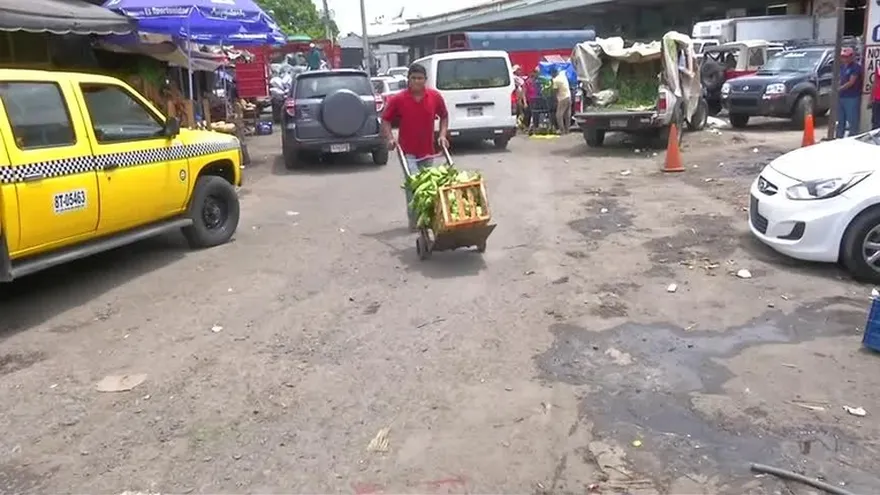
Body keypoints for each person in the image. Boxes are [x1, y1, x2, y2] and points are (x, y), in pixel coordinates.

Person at [381, 63, 450, 231]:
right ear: (408, 80)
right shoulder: (398, 99)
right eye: (413, 78)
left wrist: (442, 135)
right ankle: (414, 221)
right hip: (407, 151)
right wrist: (390, 138)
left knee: (428, 186)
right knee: (413, 184)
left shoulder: (434, 96)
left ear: (425, 80)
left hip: (427, 151)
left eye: (420, 78)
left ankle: (428, 219)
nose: (417, 81)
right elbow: (386, 119)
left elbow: (444, 116)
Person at [837, 47, 862, 138]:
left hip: (852, 96)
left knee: (852, 119)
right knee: (840, 119)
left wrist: (839, 89)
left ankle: (853, 137)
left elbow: (851, 82)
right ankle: (839, 136)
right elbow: (840, 79)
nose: (844, 58)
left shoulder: (855, 67)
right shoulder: (842, 67)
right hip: (842, 96)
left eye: (846, 56)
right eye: (843, 56)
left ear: (852, 56)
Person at [551, 67, 571, 134]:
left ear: (553, 74)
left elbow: (555, 91)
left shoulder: (556, 80)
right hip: (568, 96)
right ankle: (567, 130)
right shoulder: (562, 75)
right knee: (567, 115)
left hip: (562, 98)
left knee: (559, 115)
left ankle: (562, 130)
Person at [523, 67, 540, 133]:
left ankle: (536, 127)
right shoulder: (527, 82)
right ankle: (526, 127)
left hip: (537, 100)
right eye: (536, 72)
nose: (537, 74)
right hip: (529, 101)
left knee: (536, 115)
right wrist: (525, 102)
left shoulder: (538, 81)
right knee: (528, 114)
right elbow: (523, 93)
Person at [872, 60, 880, 130]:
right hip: (877, 98)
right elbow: (875, 82)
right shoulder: (878, 67)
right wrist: (872, 97)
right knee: (875, 121)